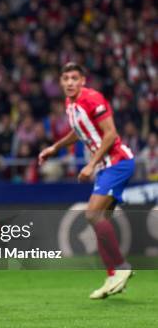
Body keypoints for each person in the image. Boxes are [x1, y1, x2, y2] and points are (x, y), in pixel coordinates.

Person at [39, 62, 134, 299]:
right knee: (100, 222)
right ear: (60, 82)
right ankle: (113, 276)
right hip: (105, 166)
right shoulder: (70, 103)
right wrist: (55, 147)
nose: (70, 82)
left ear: (83, 80)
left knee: (92, 214)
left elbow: (111, 134)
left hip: (117, 162)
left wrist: (91, 164)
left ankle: (121, 267)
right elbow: (79, 132)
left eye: (74, 78)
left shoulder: (92, 98)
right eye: (65, 78)